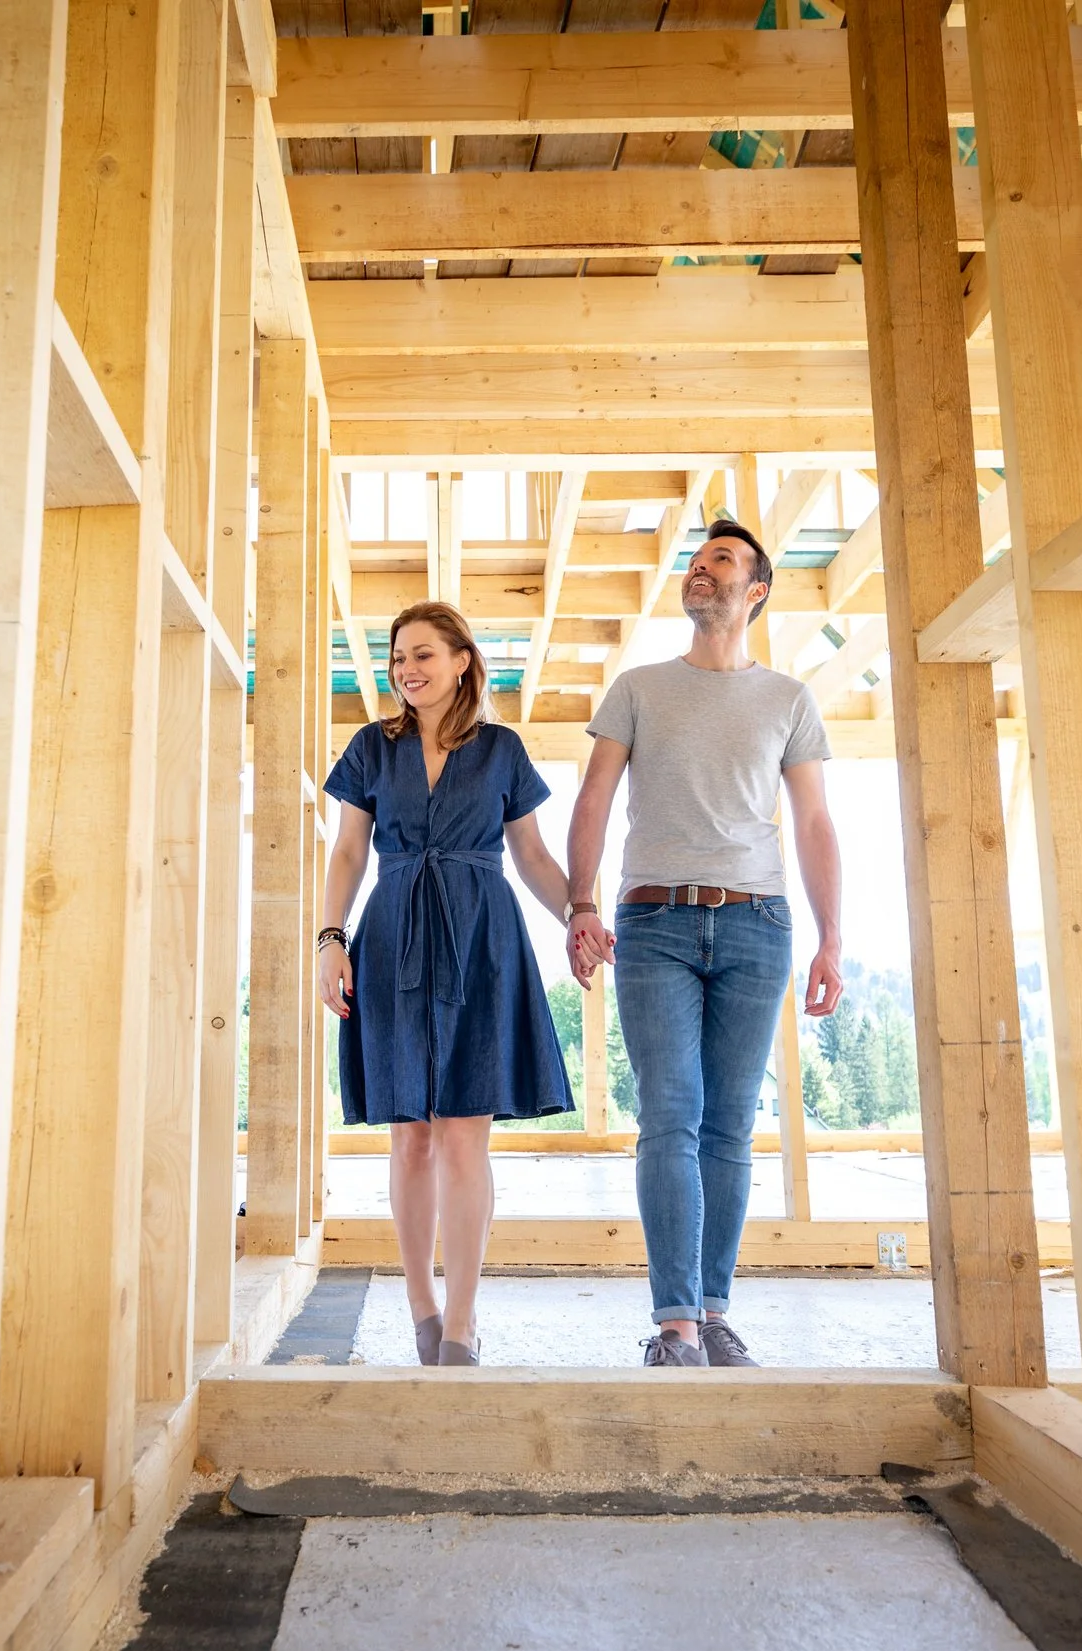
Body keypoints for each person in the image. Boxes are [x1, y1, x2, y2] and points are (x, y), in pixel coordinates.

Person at [563, 519, 845, 1368]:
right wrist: (581, 902)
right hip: (654, 923)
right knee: (670, 1116)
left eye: (719, 560)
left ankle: (713, 1313)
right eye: (694, 561)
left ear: (755, 590)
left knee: (728, 1125)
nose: (701, 571)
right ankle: (676, 1324)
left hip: (760, 922)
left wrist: (833, 937)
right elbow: (594, 798)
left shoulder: (788, 698)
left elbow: (815, 820)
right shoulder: (640, 687)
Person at [317, 600, 580, 1367]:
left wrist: (581, 914)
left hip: (481, 935)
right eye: (399, 656)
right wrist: (331, 937)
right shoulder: (372, 747)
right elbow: (346, 853)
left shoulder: (501, 748)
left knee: (466, 1133)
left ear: (463, 660)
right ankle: (421, 1307)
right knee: (411, 1135)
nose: (408, 669)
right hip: (393, 930)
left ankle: (462, 1323)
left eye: (424, 654)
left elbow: (530, 855)